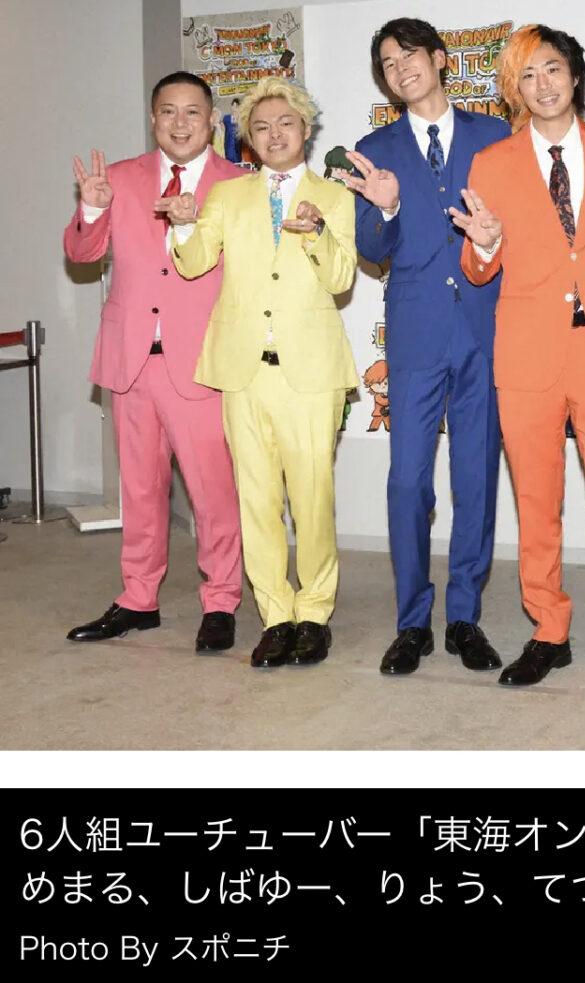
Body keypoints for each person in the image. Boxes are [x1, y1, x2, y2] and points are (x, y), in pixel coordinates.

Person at [451, 24, 585, 696]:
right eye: (527, 75)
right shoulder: (491, 164)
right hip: (527, 352)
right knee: (536, 501)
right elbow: (478, 269)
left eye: (553, 69)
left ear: (575, 75)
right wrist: (484, 243)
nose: (542, 85)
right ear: (515, 89)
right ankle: (549, 629)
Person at [165, 77, 359, 669]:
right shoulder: (228, 196)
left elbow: (341, 279)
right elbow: (195, 263)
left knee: (313, 499)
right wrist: (182, 223)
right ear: (248, 138)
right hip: (243, 372)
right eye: (262, 126)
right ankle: (275, 615)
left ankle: (314, 613)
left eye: (286, 124)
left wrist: (317, 233)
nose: (275, 135)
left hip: (311, 374)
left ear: (306, 130)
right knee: (256, 500)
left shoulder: (334, 197)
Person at [343, 17, 510, 676]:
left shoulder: (494, 135)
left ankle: (464, 615)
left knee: (476, 478)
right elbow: (370, 247)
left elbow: (517, 228)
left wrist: (495, 238)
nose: (400, 68)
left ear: (441, 59)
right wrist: (384, 208)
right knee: (408, 481)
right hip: (414, 333)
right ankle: (412, 620)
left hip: (485, 327)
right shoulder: (373, 148)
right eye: (387, 63)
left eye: (409, 55)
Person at [64, 71, 243, 655]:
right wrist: (91, 211)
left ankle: (221, 600)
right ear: (152, 118)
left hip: (202, 364)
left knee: (213, 493)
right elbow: (82, 254)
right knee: (140, 490)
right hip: (131, 359)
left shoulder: (237, 184)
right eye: (168, 111)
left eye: (192, 112)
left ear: (211, 120)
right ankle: (139, 598)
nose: (180, 123)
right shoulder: (117, 179)